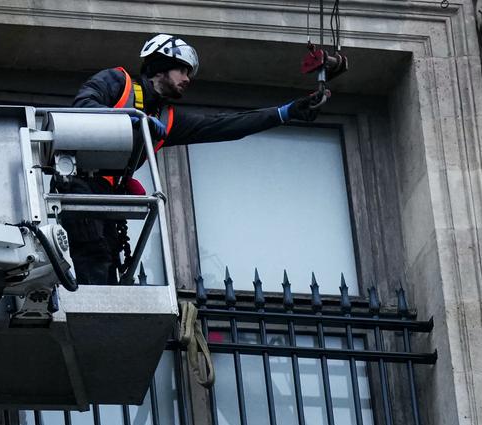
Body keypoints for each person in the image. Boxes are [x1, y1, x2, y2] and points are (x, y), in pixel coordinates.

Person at [63, 34, 332, 283]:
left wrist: (285, 113)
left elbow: (224, 125)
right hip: (81, 183)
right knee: (94, 254)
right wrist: (132, 119)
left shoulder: (166, 119)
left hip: (109, 196)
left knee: (109, 264)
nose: (187, 78)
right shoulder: (116, 82)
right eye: (182, 69)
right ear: (160, 65)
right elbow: (84, 107)